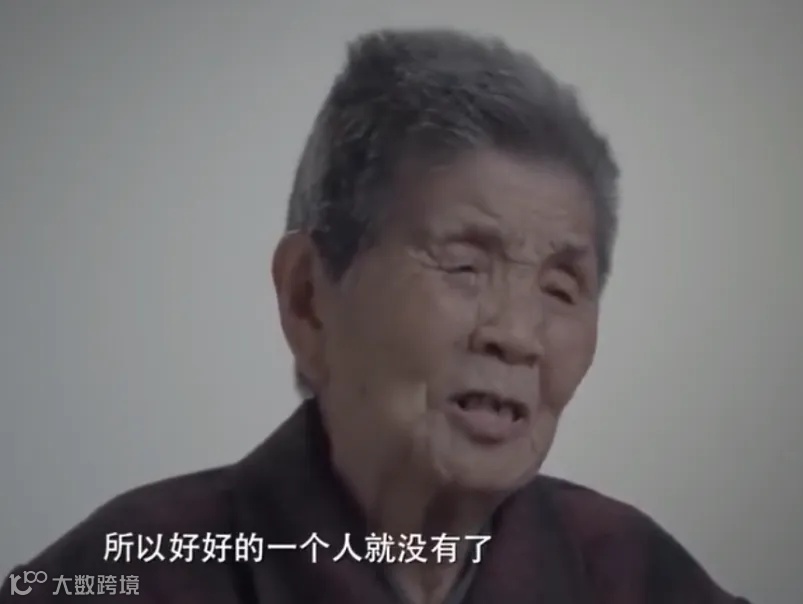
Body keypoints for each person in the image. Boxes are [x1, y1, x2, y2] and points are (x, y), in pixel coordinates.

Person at [2, 29, 750, 604]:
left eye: (560, 288)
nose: (517, 335)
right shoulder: (132, 571)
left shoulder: (632, 573)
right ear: (309, 298)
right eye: (463, 265)